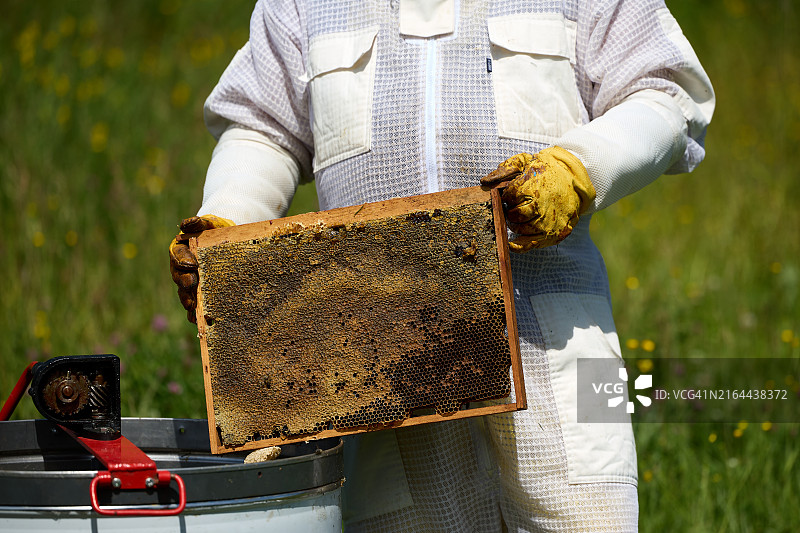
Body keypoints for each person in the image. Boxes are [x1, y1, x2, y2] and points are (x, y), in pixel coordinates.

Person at [169, 1, 714, 531]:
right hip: (380, 366)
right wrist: (228, 220)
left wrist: (580, 169)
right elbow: (262, 127)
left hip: (556, 347)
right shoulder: (302, 6)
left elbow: (665, 94)